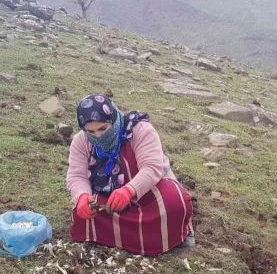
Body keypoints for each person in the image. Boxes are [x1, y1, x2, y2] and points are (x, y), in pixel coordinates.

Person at [66, 93, 194, 256]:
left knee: (176, 202)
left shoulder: (140, 130)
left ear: (112, 119)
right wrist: (82, 196)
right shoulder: (81, 141)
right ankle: (132, 237)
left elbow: (152, 167)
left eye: (103, 128)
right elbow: (77, 175)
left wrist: (128, 190)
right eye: (91, 131)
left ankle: (175, 235)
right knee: (83, 214)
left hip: (147, 192)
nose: (98, 136)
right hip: (109, 200)